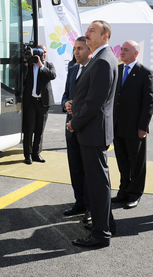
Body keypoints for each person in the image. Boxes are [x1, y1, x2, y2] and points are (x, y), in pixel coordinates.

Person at [67, 20, 118, 248]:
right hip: (91, 130)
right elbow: (87, 97)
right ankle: (106, 224)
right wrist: (73, 107)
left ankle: (101, 234)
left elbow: (94, 103)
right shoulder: (99, 59)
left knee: (97, 184)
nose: (87, 34)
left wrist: (74, 123)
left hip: (92, 131)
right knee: (99, 182)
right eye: (87, 30)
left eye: (92, 31)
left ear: (105, 36)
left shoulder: (103, 61)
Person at [112, 40, 153, 209]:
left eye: (126, 50)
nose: (121, 52)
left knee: (136, 162)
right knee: (122, 161)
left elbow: (148, 102)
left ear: (136, 53)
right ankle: (123, 191)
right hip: (117, 126)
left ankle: (135, 194)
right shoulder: (118, 69)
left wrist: (143, 127)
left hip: (135, 127)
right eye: (121, 49)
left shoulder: (145, 72)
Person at [61, 37, 91, 220]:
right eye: (74, 49)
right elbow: (65, 94)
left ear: (89, 50)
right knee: (75, 169)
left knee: (89, 171)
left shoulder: (95, 69)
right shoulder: (72, 70)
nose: (76, 52)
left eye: (80, 48)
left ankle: (90, 207)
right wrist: (66, 103)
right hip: (70, 129)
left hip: (87, 129)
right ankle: (79, 202)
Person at [22, 44, 56, 165]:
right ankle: (28, 155)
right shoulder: (29, 65)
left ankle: (36, 153)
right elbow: (22, 78)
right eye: (41, 51)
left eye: (45, 51)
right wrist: (26, 63)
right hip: (30, 102)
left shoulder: (48, 65)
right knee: (29, 129)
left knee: (40, 130)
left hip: (43, 103)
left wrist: (41, 66)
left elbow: (53, 75)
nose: (43, 54)